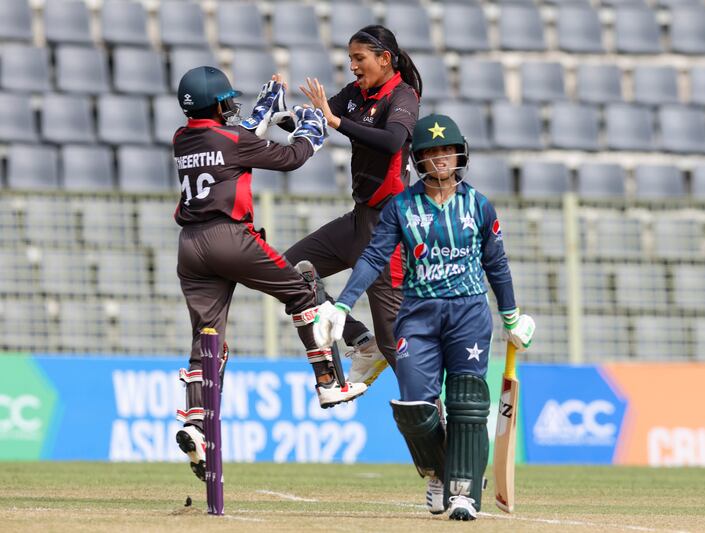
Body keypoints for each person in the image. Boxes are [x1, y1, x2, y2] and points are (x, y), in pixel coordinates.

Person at [313, 114, 536, 521]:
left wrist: (511, 316)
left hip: (468, 314)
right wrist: (343, 304)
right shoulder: (401, 206)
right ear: (418, 158)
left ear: (459, 153)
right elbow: (374, 257)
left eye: (446, 151)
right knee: (414, 407)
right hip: (417, 316)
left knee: (467, 405)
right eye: (431, 153)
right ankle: (439, 472)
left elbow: (496, 265)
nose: (440, 159)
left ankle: (464, 493)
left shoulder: (479, 206)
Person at [171, 66, 366, 481]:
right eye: (226, 100)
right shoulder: (234, 139)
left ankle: (195, 423)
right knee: (304, 290)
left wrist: (266, 104)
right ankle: (330, 382)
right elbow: (294, 156)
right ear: (215, 104)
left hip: (190, 247)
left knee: (207, 337)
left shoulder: (182, 139)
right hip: (230, 237)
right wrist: (311, 122)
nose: (230, 106)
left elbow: (241, 135)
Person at [283, 25, 422, 386]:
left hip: (387, 227)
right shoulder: (358, 94)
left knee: (394, 341)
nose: (354, 67)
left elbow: (392, 141)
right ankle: (360, 339)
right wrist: (282, 117)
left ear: (385, 59)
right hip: (359, 220)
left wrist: (337, 121)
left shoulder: (402, 96)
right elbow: (321, 116)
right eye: (351, 60)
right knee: (289, 270)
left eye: (359, 59)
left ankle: (431, 412)